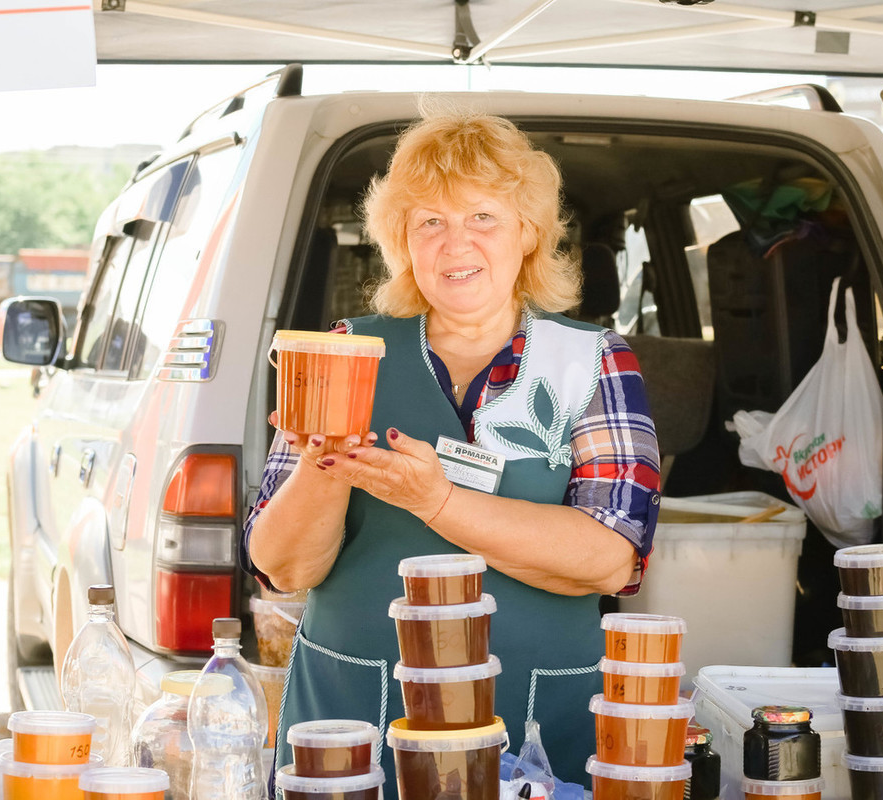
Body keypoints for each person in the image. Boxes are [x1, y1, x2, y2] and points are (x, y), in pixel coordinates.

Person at [242, 108, 661, 792]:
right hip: (358, 717)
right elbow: (283, 567)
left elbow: (610, 558)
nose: (453, 241)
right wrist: (323, 465)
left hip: (535, 717)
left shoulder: (594, 362)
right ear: (403, 241)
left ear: (527, 231)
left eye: (482, 218)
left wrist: (436, 501)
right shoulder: (346, 350)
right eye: (429, 222)